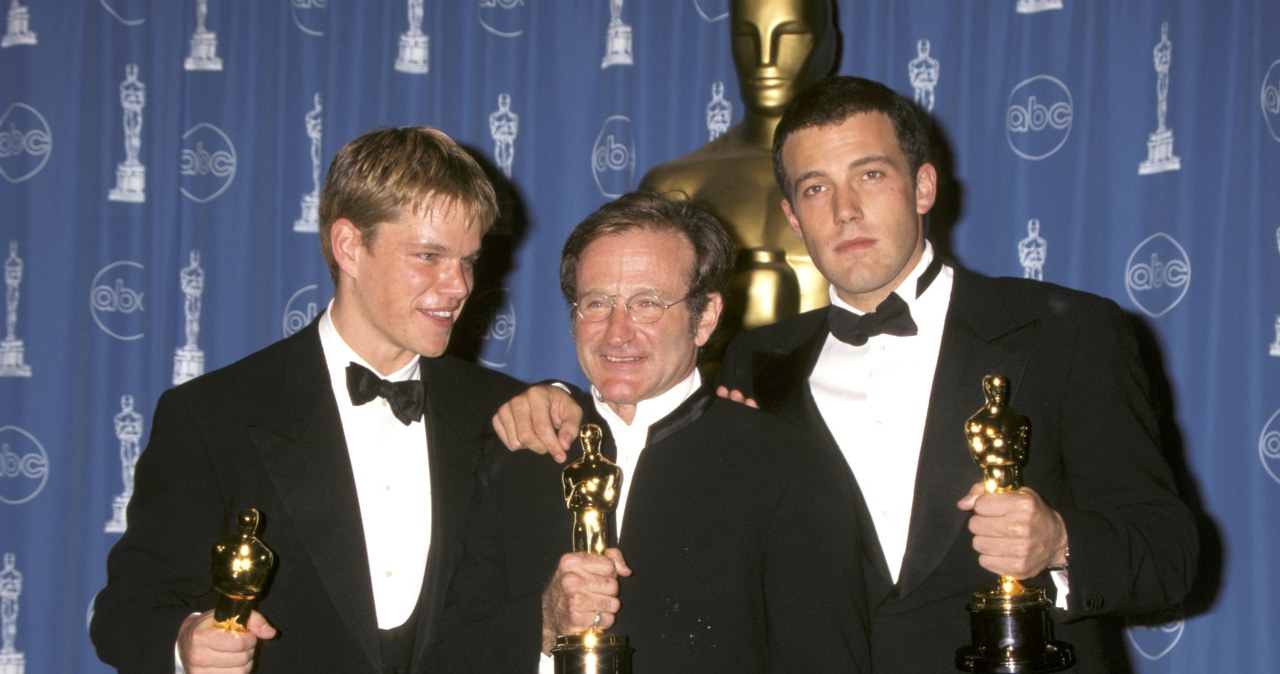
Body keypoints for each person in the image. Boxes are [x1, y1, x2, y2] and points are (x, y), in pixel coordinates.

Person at [494, 77, 1199, 672]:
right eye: (815, 187)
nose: (846, 210)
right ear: (793, 219)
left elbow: (1173, 556)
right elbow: (642, 408)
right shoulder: (754, 362)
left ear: (922, 185)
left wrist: (1059, 541)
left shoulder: (1066, 332)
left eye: (870, 174)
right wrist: (551, 398)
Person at [90, 126, 526, 674]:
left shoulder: (506, 414)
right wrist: (186, 640)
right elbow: (128, 609)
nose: (459, 285)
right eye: (428, 255)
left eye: (467, 260)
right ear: (349, 246)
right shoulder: (213, 414)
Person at [435, 192, 868, 672]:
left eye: (648, 304)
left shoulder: (786, 467)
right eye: (596, 303)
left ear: (704, 318)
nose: (617, 333)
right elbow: (449, 656)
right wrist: (543, 622)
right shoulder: (517, 458)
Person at [639, 0, 839, 344]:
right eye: (747, 36)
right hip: (710, 392)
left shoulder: (870, 182)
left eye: (789, 34)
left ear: (826, 43)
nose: (765, 58)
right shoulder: (676, 185)